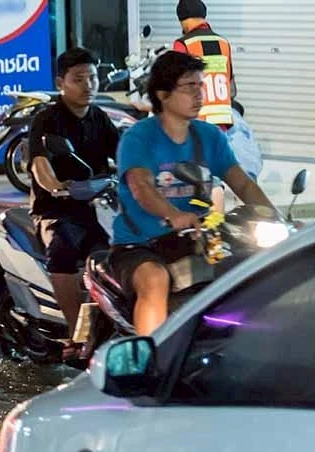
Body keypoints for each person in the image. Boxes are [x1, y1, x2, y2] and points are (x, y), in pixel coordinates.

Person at [112, 51, 276, 336]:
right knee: (155, 280)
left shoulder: (210, 136)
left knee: (250, 273)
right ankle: (152, 357)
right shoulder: (139, 137)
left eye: (201, 85)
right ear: (163, 94)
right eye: (189, 86)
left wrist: (276, 218)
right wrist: (173, 214)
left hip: (197, 238)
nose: (199, 94)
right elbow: (141, 187)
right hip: (140, 244)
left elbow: (243, 184)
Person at [27, 47, 120, 353]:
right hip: (56, 208)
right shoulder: (46, 120)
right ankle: (76, 335)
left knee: (119, 254)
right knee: (63, 249)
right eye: (79, 79)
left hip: (96, 206)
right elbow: (40, 164)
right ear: (60, 83)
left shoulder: (99, 118)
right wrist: (54, 187)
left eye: (92, 77)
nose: (88, 85)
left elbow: (124, 156)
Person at [170, 0, 236, 128]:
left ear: (183, 21)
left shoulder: (183, 44)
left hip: (197, 123)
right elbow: (229, 81)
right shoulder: (223, 43)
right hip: (222, 120)